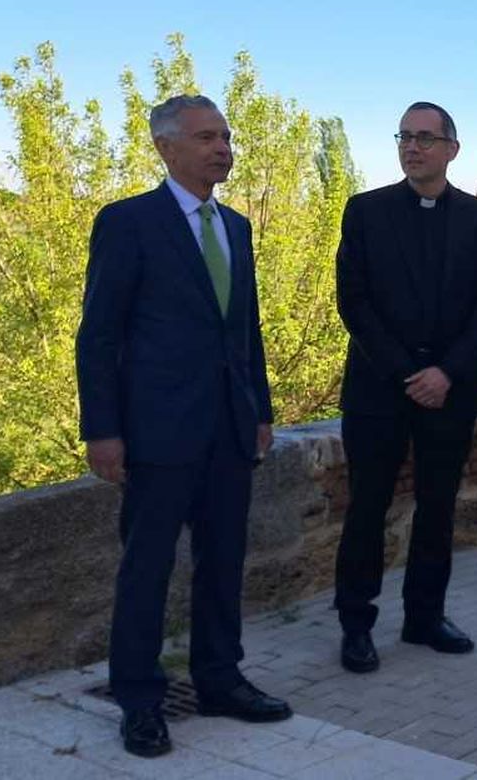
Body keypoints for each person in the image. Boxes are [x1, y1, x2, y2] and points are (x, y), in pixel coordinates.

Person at [77, 94, 292, 758]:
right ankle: (139, 700)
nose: (222, 148)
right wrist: (103, 429)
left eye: (225, 136)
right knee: (147, 569)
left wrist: (259, 410)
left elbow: (244, 333)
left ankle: (220, 679)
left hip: (228, 430)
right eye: (206, 137)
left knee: (224, 561)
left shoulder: (237, 228)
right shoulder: (129, 223)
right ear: (167, 148)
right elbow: (100, 334)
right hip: (157, 433)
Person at [333, 102, 477, 673]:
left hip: (450, 390)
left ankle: (424, 618)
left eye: (426, 139)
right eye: (405, 137)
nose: (413, 147)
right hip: (380, 390)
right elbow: (354, 302)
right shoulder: (365, 211)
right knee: (367, 509)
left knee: (438, 507)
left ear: (452, 149)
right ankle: (356, 625)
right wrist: (408, 373)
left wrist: (446, 372)